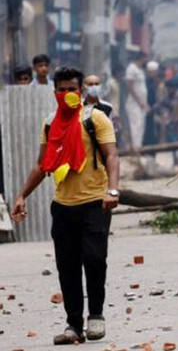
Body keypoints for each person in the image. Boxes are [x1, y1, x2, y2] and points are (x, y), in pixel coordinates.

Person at [11, 67, 120, 345]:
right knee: (67, 266)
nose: (67, 94)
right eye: (61, 90)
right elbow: (42, 164)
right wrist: (22, 195)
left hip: (95, 202)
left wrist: (113, 190)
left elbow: (111, 156)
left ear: (80, 91)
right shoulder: (50, 123)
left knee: (94, 260)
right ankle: (74, 324)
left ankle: (96, 315)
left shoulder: (95, 118)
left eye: (72, 89)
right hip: (62, 206)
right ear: (55, 92)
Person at [124, 52, 149, 150]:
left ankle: (139, 147)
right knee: (136, 126)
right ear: (141, 58)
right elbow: (130, 87)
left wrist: (144, 103)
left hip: (142, 104)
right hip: (134, 103)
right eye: (146, 59)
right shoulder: (131, 68)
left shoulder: (141, 70)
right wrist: (139, 102)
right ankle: (135, 148)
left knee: (141, 126)